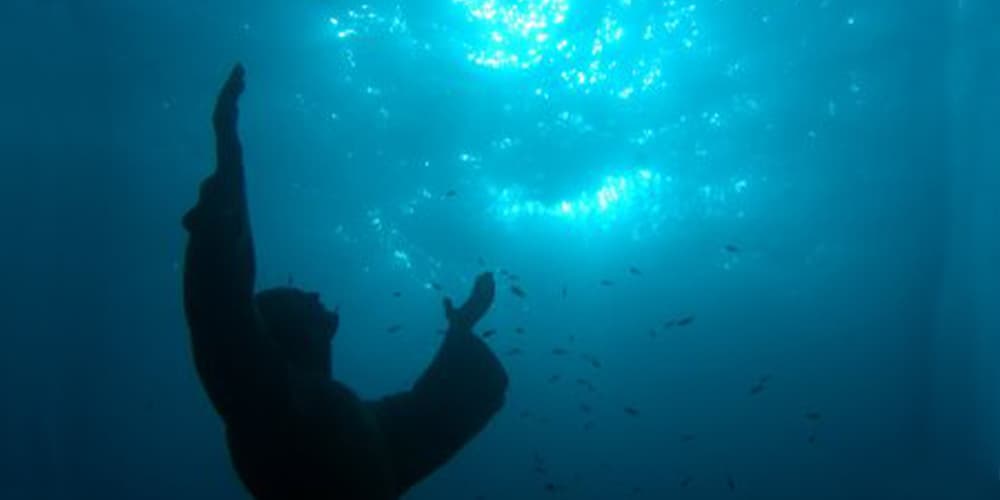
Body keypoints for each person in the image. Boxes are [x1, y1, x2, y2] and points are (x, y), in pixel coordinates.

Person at [181, 63, 509, 499]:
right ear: (279, 330)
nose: (315, 294)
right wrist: (227, 142)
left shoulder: (353, 418)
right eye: (300, 297)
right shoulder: (261, 394)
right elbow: (222, 297)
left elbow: (430, 415)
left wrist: (461, 329)